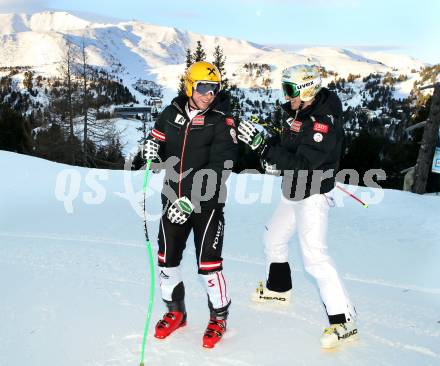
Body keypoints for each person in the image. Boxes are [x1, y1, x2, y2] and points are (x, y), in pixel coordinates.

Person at [237, 64, 358, 348]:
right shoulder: (298, 112)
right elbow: (288, 147)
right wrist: (269, 147)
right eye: (285, 88)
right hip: (293, 190)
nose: (286, 94)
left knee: (315, 257)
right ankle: (278, 288)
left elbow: (304, 164)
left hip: (313, 195)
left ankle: (345, 320)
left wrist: (264, 148)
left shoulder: (322, 123)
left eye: (290, 89)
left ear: (307, 90)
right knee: (273, 237)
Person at [143, 61, 239, 348]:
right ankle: (176, 313)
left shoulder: (221, 120)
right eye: (203, 88)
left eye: (214, 88)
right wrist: (150, 148)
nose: (209, 94)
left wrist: (191, 200)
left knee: (209, 265)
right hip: (172, 200)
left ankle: (219, 317)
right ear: (189, 86)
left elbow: (222, 167)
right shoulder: (171, 113)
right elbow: (157, 142)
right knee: (166, 260)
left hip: (206, 204)